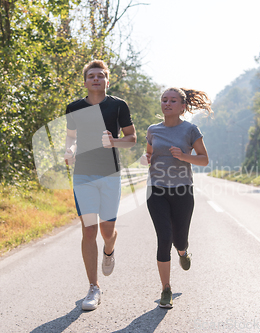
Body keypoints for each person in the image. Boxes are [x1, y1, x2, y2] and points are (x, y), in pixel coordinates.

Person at [64, 60, 136, 311]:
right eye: (91, 76)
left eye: (100, 76)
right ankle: (93, 287)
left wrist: (114, 142)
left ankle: (109, 249)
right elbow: (71, 137)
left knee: (107, 231)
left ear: (107, 81)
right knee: (89, 231)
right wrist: (69, 150)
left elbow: (132, 139)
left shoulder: (118, 106)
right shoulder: (74, 107)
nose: (96, 79)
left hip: (110, 175)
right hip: (83, 174)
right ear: (85, 81)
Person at [141, 87, 212, 308]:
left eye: (172, 100)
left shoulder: (190, 130)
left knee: (178, 239)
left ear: (182, 106)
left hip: (182, 190)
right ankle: (166, 289)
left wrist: (183, 156)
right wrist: (146, 158)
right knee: (164, 237)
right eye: (164, 100)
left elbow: (204, 160)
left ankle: (182, 250)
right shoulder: (153, 130)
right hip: (157, 190)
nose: (167, 103)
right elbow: (149, 154)